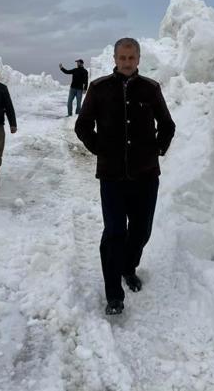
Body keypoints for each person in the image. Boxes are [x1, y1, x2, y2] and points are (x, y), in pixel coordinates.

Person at [74, 38, 175, 315]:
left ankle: (128, 267)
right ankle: (113, 294)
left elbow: (167, 125)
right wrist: (100, 149)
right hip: (112, 176)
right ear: (115, 59)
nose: (127, 62)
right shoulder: (99, 88)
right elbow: (82, 125)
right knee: (115, 232)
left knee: (141, 231)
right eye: (122, 58)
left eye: (131, 58)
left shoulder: (151, 89)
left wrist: (157, 149)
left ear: (138, 59)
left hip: (145, 175)